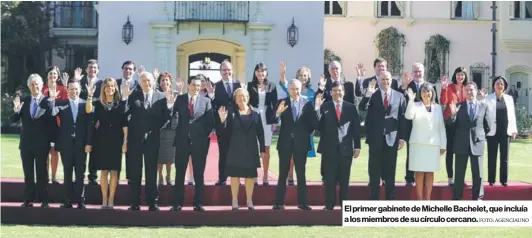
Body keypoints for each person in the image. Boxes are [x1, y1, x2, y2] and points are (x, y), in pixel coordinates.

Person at [121, 72, 175, 211]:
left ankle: (152, 202)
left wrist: (169, 106)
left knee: (151, 172)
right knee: (135, 172)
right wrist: (125, 98)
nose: (147, 83)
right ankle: (135, 202)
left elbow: (167, 117)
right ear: (140, 82)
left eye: (149, 80)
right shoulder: (134, 96)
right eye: (144, 80)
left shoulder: (161, 97)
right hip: (135, 139)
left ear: (153, 81)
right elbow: (124, 113)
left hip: (152, 139)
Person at [359, 71, 407, 200]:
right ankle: (374, 200)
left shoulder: (399, 96)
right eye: (383, 79)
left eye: (387, 79)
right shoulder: (372, 95)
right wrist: (367, 94)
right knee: (374, 172)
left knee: (390, 171)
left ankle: (390, 201)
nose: (385, 81)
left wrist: (402, 137)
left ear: (391, 80)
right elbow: (362, 107)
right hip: (375, 138)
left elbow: (402, 118)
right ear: (378, 81)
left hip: (392, 138)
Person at [171, 76, 214, 212]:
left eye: (198, 85)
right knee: (180, 173)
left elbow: (210, 121)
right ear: (188, 85)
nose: (196, 87)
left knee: (199, 173)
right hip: (182, 141)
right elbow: (173, 117)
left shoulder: (206, 101)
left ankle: (198, 202)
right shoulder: (180, 99)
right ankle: (178, 203)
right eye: (194, 85)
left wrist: (203, 136)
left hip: (199, 142)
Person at [273, 79, 317, 211]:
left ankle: (303, 203)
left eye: (297, 89)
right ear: (288, 89)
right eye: (292, 88)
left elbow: (312, 124)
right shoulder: (282, 102)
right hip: (285, 143)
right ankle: (279, 203)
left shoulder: (307, 103)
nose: (295, 91)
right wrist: (277, 113)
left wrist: (302, 135)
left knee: (301, 174)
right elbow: (273, 121)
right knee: (283, 173)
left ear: (301, 88)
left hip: (301, 143)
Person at [217, 88, 265, 210]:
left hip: (251, 148)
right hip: (235, 148)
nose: (241, 98)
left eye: (243, 96)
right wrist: (222, 121)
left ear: (248, 98)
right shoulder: (231, 112)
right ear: (235, 99)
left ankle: (249, 199)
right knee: (235, 175)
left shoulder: (255, 113)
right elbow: (224, 132)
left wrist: (262, 149)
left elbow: (260, 132)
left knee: (250, 176)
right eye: (238, 96)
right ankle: (234, 200)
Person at [317, 81, 361, 210]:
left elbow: (356, 129)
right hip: (329, 149)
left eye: (340, 90)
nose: (337, 93)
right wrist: (316, 108)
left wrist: (357, 146)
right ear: (331, 93)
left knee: (344, 180)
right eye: (335, 90)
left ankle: (344, 206)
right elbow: (317, 126)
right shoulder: (324, 107)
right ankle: (329, 206)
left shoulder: (351, 108)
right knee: (329, 179)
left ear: (344, 92)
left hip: (346, 149)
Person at [11, 74, 54, 208]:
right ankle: (28, 199)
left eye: (37, 84)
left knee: (42, 172)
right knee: (28, 172)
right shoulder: (24, 101)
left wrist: (52, 142)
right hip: (26, 144)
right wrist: (16, 111)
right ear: (29, 87)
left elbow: (52, 123)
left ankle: (44, 199)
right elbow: (13, 120)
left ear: (42, 86)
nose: (35, 87)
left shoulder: (48, 102)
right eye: (32, 85)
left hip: (42, 144)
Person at [48, 80, 91, 209]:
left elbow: (89, 126)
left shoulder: (86, 104)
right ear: (67, 90)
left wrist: (89, 143)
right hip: (66, 144)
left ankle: (80, 200)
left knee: (80, 173)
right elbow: (51, 113)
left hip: (81, 145)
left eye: (76, 89)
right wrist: (52, 99)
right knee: (67, 172)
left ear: (80, 90)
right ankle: (67, 200)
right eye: (71, 89)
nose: (74, 91)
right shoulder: (61, 104)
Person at [86, 77, 128, 209]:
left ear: (115, 88)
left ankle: (111, 199)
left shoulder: (120, 105)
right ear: (103, 88)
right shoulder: (98, 104)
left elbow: (125, 125)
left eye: (112, 86)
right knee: (104, 171)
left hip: (116, 140)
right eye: (107, 86)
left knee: (114, 171)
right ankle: (104, 199)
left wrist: (125, 142)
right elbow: (88, 111)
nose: (110, 88)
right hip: (101, 140)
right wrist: (89, 95)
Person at [398, 63, 440, 187]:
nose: (418, 73)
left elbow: (435, 105)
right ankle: (409, 178)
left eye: (420, 71)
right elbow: (400, 102)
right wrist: (403, 87)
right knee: (411, 153)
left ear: (423, 71)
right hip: (411, 125)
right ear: (412, 73)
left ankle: (426, 180)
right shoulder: (407, 86)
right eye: (415, 71)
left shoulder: (430, 86)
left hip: (427, 127)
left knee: (426, 153)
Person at [404, 82, 446, 200]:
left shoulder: (437, 108)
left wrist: (443, 145)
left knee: (429, 172)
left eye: (428, 91)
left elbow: (441, 127)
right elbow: (408, 116)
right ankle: (420, 199)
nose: (426, 93)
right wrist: (410, 101)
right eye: (423, 91)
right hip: (418, 144)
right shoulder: (415, 105)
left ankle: (427, 200)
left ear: (432, 93)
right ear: (420, 94)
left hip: (433, 145)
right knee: (419, 173)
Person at [449, 82, 490, 200]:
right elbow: (451, 126)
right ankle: (457, 199)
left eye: (471, 90)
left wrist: (480, 136)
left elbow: (488, 126)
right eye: (467, 90)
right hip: (461, 145)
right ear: (464, 92)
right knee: (459, 175)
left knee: (478, 175)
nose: (469, 92)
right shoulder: (458, 106)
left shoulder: (483, 106)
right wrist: (453, 116)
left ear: (476, 91)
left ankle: (478, 199)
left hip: (477, 144)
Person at [279, 63, 317, 185]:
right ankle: (290, 176)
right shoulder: (292, 88)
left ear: (308, 77)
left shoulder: (312, 92)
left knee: (302, 156)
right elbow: (285, 84)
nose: (303, 77)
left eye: (305, 75)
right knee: (290, 154)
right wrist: (282, 74)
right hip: (291, 128)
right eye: (300, 75)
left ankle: (300, 179)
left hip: (305, 129)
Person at [212, 60, 242, 186]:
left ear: (232, 71)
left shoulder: (238, 84)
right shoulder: (216, 86)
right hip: (222, 123)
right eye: (224, 70)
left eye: (229, 69)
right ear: (220, 72)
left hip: (236, 123)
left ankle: (236, 178)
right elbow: (213, 105)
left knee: (236, 152)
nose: (227, 72)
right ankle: (222, 178)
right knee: (223, 152)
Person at [247, 63, 277, 186]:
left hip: (267, 118)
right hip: (254, 116)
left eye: (263, 71)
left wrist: (275, 121)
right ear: (255, 73)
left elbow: (274, 105)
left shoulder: (272, 86)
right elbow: (246, 101)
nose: (261, 73)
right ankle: (254, 175)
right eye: (259, 71)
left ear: (266, 73)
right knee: (254, 147)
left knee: (266, 147)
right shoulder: (250, 85)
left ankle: (265, 175)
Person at [486, 76, 518, 187]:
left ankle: (504, 180)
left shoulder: (509, 99)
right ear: (494, 86)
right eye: (498, 83)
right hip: (492, 132)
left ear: (504, 87)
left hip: (506, 132)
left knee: (504, 158)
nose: (500, 85)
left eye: (502, 84)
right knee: (492, 158)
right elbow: (484, 114)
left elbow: (512, 116)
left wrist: (514, 130)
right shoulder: (488, 98)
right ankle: (491, 180)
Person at [440, 67, 469, 186]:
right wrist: (443, 87)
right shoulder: (449, 87)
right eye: (458, 74)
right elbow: (443, 101)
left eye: (462, 75)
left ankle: (460, 177)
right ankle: (450, 178)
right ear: (455, 75)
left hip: (462, 123)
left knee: (462, 151)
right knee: (450, 150)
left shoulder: (467, 88)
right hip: (450, 122)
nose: (460, 77)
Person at [42, 66, 68, 185]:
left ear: (58, 76)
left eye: (55, 74)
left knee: (54, 151)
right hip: (44, 124)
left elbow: (66, 103)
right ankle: (45, 176)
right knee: (44, 150)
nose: (52, 76)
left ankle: (54, 177)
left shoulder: (62, 89)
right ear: (47, 75)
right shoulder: (42, 89)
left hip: (57, 124)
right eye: (50, 74)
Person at [157, 72, 180, 186]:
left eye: (166, 80)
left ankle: (169, 175)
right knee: (160, 154)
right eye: (162, 80)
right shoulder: (157, 94)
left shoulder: (176, 94)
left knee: (170, 154)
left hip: (172, 128)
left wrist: (180, 92)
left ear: (170, 82)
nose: (164, 82)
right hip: (160, 127)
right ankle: (160, 175)